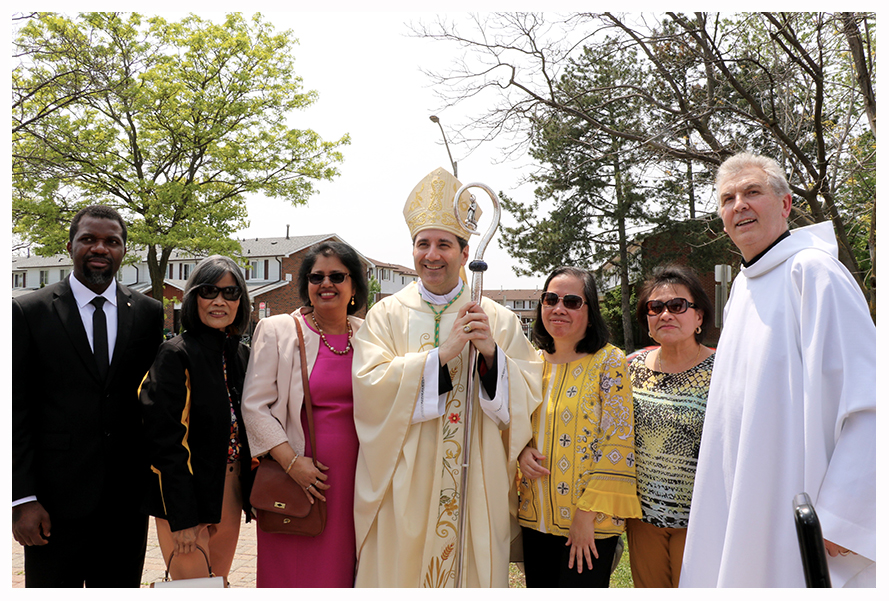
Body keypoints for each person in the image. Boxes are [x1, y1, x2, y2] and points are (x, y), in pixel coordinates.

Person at [680, 152, 876, 587]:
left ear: (785, 205)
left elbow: (869, 398)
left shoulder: (815, 273)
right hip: (747, 496)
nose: (739, 206)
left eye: (753, 192)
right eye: (728, 199)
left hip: (803, 508)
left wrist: (844, 514)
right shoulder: (741, 292)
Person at [351, 167, 543, 587]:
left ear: (464, 249)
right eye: (423, 244)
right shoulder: (386, 315)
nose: (432, 255)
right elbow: (369, 388)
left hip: (476, 478)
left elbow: (528, 392)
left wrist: (491, 354)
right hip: (405, 479)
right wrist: (442, 356)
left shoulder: (498, 319)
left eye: (443, 244)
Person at [12, 205, 164, 587]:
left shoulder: (148, 313)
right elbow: (15, 410)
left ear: (123, 251)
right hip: (52, 504)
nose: (100, 248)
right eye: (89, 239)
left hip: (126, 504)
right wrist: (21, 499)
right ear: (70, 246)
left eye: (111, 241)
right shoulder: (28, 311)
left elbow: (151, 403)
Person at [241, 241, 368, 587]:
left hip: (356, 485)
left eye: (337, 276)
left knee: (341, 575)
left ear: (354, 285)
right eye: (316, 277)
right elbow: (254, 406)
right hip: (298, 483)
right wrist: (292, 463)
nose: (326, 283)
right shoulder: (278, 330)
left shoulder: (370, 336)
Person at [517, 266, 642, 588]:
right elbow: (513, 424)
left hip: (589, 523)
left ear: (590, 310)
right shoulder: (531, 362)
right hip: (535, 516)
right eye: (551, 299)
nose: (559, 308)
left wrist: (586, 516)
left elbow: (618, 441)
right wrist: (520, 452)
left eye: (572, 301)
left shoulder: (609, 361)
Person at [139, 255, 254, 584]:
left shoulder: (241, 355)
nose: (220, 300)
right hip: (186, 494)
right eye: (209, 291)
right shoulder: (175, 355)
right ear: (194, 298)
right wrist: (183, 516)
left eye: (231, 293)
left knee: (220, 582)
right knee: (192, 589)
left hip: (229, 490)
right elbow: (164, 441)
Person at [625, 264, 715, 587]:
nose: (665, 314)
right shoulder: (629, 369)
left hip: (701, 521)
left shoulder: (722, 371)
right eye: (655, 307)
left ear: (699, 317)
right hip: (642, 519)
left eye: (677, 306)